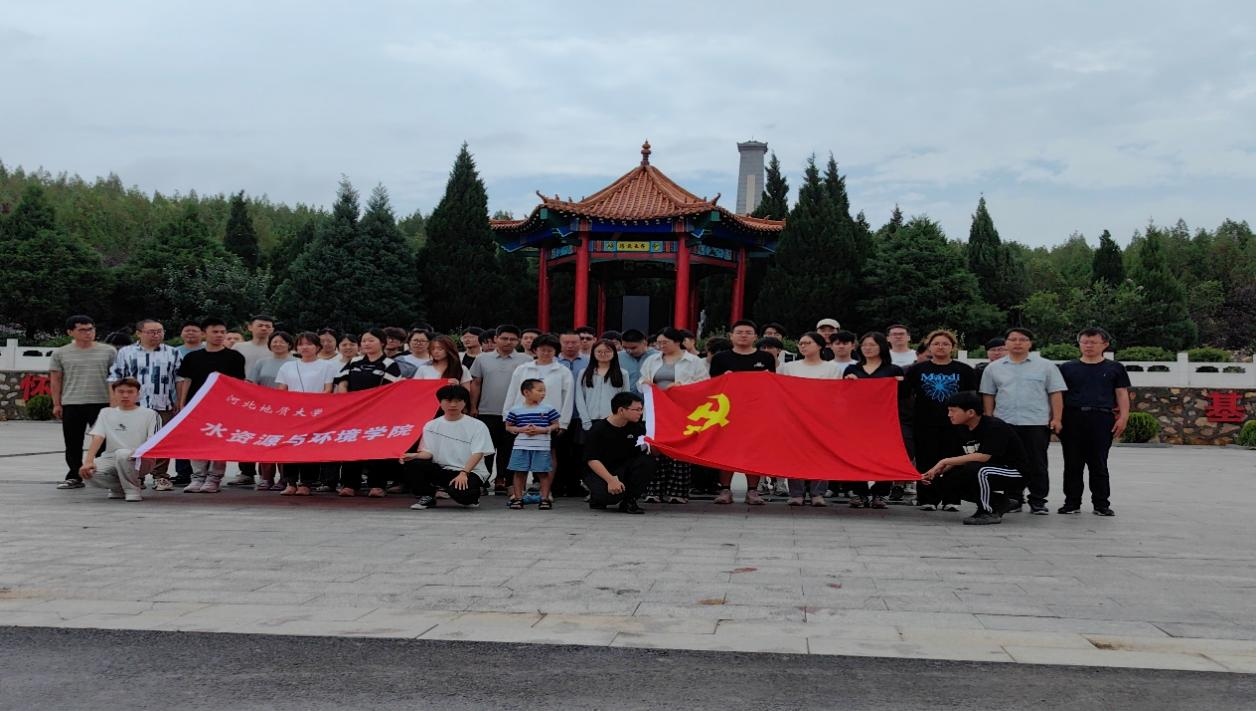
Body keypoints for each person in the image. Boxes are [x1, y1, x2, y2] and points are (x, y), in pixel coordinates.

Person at [979, 327, 1066, 515]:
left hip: (1036, 422)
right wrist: (989, 419)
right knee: (1009, 463)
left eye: (1023, 339)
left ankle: (1038, 500)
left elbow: (1055, 393)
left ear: (1030, 343)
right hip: (1005, 422)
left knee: (1037, 462)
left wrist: (1057, 418)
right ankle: (1014, 499)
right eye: (1013, 339)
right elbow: (988, 394)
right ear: (1006, 343)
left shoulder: (1046, 366)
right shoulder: (994, 368)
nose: (1017, 343)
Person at [920, 391, 1028, 526]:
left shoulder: (994, 426)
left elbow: (983, 457)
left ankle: (986, 512)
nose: (949, 415)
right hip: (985, 469)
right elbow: (961, 457)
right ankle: (998, 501)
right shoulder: (961, 429)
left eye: (953, 411)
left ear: (970, 412)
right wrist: (935, 472)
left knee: (978, 470)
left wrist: (944, 461)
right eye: (948, 411)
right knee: (947, 481)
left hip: (1015, 473)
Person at [1057, 328, 1129, 516]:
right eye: (1084, 342)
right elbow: (1058, 395)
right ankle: (1072, 503)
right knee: (1072, 463)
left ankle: (1101, 504)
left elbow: (1121, 393)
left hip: (1101, 418)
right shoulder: (1066, 368)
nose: (1088, 346)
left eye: (1093, 342)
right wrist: (1056, 418)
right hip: (1072, 417)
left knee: (1099, 462)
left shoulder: (1115, 368)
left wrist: (1123, 417)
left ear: (1105, 344)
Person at [904, 329, 977, 512]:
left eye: (945, 344)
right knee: (925, 460)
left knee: (954, 461)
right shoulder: (917, 369)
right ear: (929, 347)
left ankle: (952, 499)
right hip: (924, 422)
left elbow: (973, 397)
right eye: (936, 343)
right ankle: (927, 498)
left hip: (956, 424)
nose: (940, 347)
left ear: (952, 347)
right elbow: (903, 392)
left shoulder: (964, 370)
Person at [107, 318, 182, 491]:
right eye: (151, 332)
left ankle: (160, 476)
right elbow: (115, 377)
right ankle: (135, 476)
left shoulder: (173, 353)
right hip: (133, 406)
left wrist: (180, 401)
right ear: (139, 333)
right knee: (132, 442)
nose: (156, 335)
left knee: (161, 442)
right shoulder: (126, 352)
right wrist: (114, 404)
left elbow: (179, 379)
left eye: (160, 331)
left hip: (163, 404)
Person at [639, 327, 710, 503]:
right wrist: (645, 383)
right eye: (659, 343)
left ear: (677, 342)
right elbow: (641, 381)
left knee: (679, 450)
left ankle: (678, 492)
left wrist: (682, 387)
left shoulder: (693, 361)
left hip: (681, 411)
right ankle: (654, 490)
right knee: (655, 448)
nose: (661, 346)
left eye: (665, 342)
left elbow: (704, 385)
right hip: (657, 410)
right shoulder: (652, 360)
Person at [708, 319, 775, 505]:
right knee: (726, 450)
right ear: (731, 336)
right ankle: (725, 489)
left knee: (754, 450)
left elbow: (774, 385)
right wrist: (724, 380)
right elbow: (711, 386)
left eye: (748, 332)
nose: (743, 335)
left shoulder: (766, 358)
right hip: (727, 412)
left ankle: (752, 491)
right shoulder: (721, 358)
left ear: (755, 337)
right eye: (739, 332)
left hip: (757, 411)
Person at [176, 317, 246, 493]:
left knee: (218, 442)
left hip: (224, 407)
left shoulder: (235, 357)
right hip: (197, 406)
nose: (219, 335)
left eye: (222, 332)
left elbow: (238, 384)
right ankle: (197, 477)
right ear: (204, 333)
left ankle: (214, 478)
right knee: (196, 442)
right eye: (215, 332)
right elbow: (187, 381)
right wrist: (183, 404)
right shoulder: (192, 357)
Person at [502, 335, 575, 507]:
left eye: (550, 350)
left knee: (549, 455)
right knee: (520, 457)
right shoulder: (523, 369)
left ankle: (546, 493)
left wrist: (563, 423)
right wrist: (507, 416)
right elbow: (512, 391)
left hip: (549, 421)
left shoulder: (562, 371)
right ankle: (518, 494)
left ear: (556, 351)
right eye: (542, 349)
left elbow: (568, 397)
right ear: (535, 350)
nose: (546, 353)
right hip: (522, 419)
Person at [51, 315, 118, 490]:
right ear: (70, 332)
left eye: (90, 329)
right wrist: (57, 403)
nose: (88, 333)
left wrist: (114, 404)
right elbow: (56, 379)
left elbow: (115, 379)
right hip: (72, 402)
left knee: (103, 441)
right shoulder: (60, 353)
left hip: (101, 402)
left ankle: (102, 473)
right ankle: (74, 475)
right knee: (73, 442)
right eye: (82, 330)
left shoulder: (108, 351)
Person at [334, 328, 403, 498]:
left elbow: (390, 390)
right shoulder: (354, 361)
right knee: (351, 447)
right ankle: (350, 485)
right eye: (364, 341)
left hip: (377, 415)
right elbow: (342, 383)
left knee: (376, 448)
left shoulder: (389, 364)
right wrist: (347, 403)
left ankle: (377, 485)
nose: (366, 343)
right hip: (353, 415)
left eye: (371, 340)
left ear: (382, 342)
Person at [403, 385, 495, 511]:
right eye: (448, 400)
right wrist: (414, 455)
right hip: (443, 469)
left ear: (464, 402)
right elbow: (428, 452)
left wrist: (464, 473)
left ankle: (472, 495)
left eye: (458, 401)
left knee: (464, 496)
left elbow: (478, 453)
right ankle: (428, 495)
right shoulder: (431, 425)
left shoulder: (477, 425)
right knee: (414, 463)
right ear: (440, 402)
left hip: (470, 471)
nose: (453, 405)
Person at [779, 331, 844, 506]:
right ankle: (796, 493)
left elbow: (836, 394)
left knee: (821, 454)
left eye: (808, 343)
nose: (803, 346)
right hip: (795, 418)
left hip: (822, 418)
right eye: (801, 343)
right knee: (795, 454)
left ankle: (818, 493)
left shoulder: (831, 368)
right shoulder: (789, 367)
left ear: (820, 346)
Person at [843, 331, 905, 508]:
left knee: (885, 456)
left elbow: (902, 396)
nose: (867, 348)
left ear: (882, 347)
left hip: (885, 422)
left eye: (872, 345)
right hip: (857, 421)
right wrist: (847, 382)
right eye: (864, 345)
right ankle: (859, 493)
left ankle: (880, 493)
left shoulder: (893, 370)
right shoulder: (852, 369)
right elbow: (843, 396)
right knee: (856, 455)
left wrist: (901, 383)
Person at [78, 378, 163, 502]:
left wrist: (138, 452)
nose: (125, 395)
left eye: (130, 392)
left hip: (140, 458)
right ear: (114, 393)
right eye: (121, 392)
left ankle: (132, 490)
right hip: (111, 458)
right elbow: (97, 437)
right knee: (88, 472)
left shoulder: (150, 414)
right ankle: (120, 487)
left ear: (138, 394)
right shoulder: (106, 413)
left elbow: (154, 440)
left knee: (122, 454)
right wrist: (88, 462)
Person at [469, 325, 531, 493]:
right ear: (496, 339)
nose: (508, 342)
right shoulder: (482, 359)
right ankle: (482, 480)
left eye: (512, 339)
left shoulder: (526, 360)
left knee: (509, 448)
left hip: (515, 413)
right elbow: (476, 383)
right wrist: (473, 406)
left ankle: (505, 481)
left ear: (518, 341)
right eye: (504, 338)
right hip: (487, 411)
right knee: (486, 449)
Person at [274, 332, 337, 496]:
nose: (305, 347)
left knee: (310, 448)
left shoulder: (327, 366)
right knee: (290, 447)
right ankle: (290, 482)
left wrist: (311, 404)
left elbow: (328, 389)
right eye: (301, 344)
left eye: (309, 344)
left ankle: (306, 483)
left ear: (317, 347)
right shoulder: (287, 366)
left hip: (316, 413)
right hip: (292, 414)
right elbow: (281, 390)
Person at [584, 392, 655, 514]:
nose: (640, 413)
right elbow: (592, 459)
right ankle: (597, 498)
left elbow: (646, 451)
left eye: (641, 409)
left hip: (623, 469)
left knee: (647, 462)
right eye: (636, 410)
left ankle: (629, 501)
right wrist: (610, 480)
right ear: (621, 410)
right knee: (610, 496)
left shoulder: (637, 428)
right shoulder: (598, 429)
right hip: (602, 471)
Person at [227, 315, 276, 488]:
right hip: (243, 398)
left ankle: (266, 475)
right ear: (250, 327)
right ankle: (246, 472)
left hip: (269, 400)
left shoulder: (275, 347)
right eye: (260, 325)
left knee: (267, 437)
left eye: (268, 326)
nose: (264, 328)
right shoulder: (239, 347)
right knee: (245, 435)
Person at [246, 331, 297, 490]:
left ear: (289, 344)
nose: (278, 344)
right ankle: (266, 478)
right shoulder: (261, 362)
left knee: (284, 445)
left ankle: (284, 479)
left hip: (288, 411)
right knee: (266, 443)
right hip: (265, 410)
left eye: (282, 342)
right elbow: (251, 384)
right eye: (275, 341)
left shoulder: (295, 363)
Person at [504, 379, 562, 509]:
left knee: (543, 473)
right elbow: (508, 426)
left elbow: (556, 424)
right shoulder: (516, 409)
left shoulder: (548, 409)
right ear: (526, 392)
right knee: (519, 472)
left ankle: (545, 499)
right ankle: (518, 498)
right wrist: (522, 429)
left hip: (541, 447)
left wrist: (543, 429)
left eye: (544, 391)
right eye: (539, 390)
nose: (543, 393)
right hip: (521, 446)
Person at [554, 330, 591, 497]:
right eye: (566, 342)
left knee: (578, 452)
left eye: (574, 342)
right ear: (560, 343)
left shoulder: (589, 362)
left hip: (580, 415)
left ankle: (574, 484)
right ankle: (557, 485)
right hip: (558, 415)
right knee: (558, 451)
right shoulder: (554, 362)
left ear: (580, 343)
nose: (570, 346)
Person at [576, 339, 630, 430]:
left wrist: (620, 419)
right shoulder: (584, 373)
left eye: (607, 351)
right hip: (589, 420)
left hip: (613, 420)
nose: (603, 354)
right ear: (593, 353)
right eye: (599, 351)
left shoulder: (623, 373)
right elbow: (579, 398)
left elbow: (625, 399)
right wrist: (585, 420)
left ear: (614, 353)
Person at [617, 329, 657, 395]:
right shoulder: (618, 357)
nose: (629, 351)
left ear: (645, 343)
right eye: (625, 347)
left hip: (652, 398)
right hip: (626, 398)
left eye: (633, 348)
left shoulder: (658, 357)